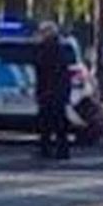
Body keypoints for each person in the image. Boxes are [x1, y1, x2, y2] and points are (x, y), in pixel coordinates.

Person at [33, 22, 72, 160]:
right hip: (54, 91)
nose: (41, 34)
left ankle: (53, 150)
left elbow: (44, 70)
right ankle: (53, 149)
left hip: (52, 91)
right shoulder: (58, 48)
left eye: (43, 32)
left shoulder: (50, 48)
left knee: (51, 122)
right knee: (52, 122)